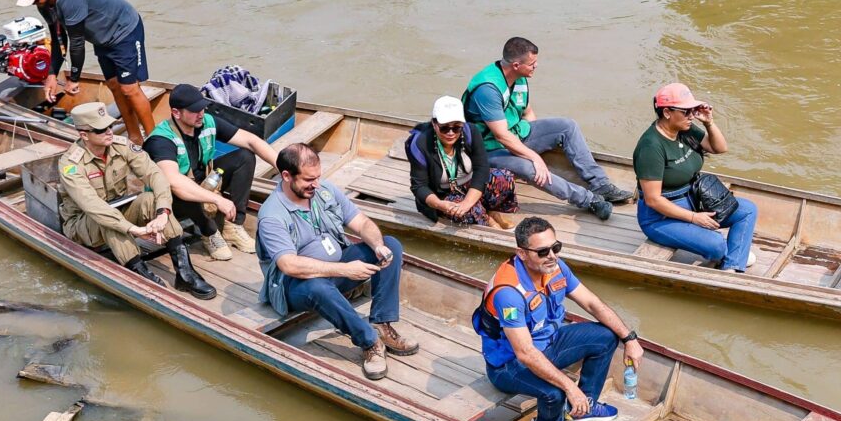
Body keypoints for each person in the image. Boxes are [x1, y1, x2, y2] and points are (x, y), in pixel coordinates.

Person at [473, 216, 644, 421]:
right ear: (522, 253)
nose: (552, 255)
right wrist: (568, 386)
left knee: (606, 336)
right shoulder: (508, 293)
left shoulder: (556, 267)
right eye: (543, 251)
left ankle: (583, 409)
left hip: (548, 344)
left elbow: (593, 304)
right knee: (555, 392)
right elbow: (525, 353)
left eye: (556, 247)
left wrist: (630, 339)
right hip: (509, 365)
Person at [255, 143, 417, 380]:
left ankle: (383, 325)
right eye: (309, 180)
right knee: (317, 286)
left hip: (337, 272)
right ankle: (370, 342)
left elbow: (362, 223)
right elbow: (289, 265)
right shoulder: (272, 215)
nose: (316, 185)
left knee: (390, 244)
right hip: (297, 287)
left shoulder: (324, 191)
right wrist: (346, 269)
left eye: (318, 177)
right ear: (286, 176)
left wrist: (377, 246)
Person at [462, 37, 634, 222]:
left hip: (517, 134)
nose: (536, 66)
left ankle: (601, 185)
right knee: (529, 168)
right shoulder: (488, 89)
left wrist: (537, 147)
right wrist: (533, 157)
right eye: (532, 64)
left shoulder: (519, 78)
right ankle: (588, 200)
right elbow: (501, 135)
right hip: (490, 148)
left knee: (567, 126)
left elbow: (527, 113)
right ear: (516, 65)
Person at [58, 102, 215, 299]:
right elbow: (93, 207)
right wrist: (133, 229)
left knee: (150, 199)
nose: (108, 132)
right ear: (84, 135)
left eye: (110, 126)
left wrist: (163, 213)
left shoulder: (120, 145)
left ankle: (185, 272)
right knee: (108, 220)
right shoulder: (70, 165)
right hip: (84, 224)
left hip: (120, 205)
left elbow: (155, 175)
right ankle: (140, 274)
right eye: (100, 130)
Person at [16, 0, 156, 146]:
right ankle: (135, 136)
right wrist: (51, 75)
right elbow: (59, 40)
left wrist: (74, 79)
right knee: (114, 86)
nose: (35, 3)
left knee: (129, 89)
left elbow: (76, 42)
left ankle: (154, 140)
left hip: (124, 31)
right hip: (102, 38)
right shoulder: (45, 5)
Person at [143, 84, 279, 261]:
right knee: (181, 188)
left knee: (245, 156)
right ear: (176, 113)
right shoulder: (161, 140)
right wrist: (217, 199)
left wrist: (284, 167)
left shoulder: (206, 121)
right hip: (171, 200)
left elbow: (251, 140)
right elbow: (175, 182)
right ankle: (210, 233)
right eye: (194, 110)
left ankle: (233, 225)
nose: (201, 113)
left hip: (203, 183)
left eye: (202, 107)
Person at [633, 83, 757, 271]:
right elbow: (653, 199)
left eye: (692, 110)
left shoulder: (685, 129)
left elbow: (719, 148)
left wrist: (708, 122)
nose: (691, 116)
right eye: (686, 111)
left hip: (694, 200)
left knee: (747, 210)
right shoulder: (651, 146)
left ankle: (731, 269)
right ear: (667, 112)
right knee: (716, 244)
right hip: (661, 217)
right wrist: (693, 218)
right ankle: (733, 255)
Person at [406, 95, 518, 228]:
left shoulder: (471, 131)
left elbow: (481, 168)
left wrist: (467, 201)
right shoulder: (420, 144)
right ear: (434, 124)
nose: (451, 133)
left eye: (456, 128)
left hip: (468, 183)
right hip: (443, 195)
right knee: (465, 212)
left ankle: (492, 211)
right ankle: (487, 219)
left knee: (504, 177)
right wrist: (438, 204)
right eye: (444, 128)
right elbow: (419, 186)